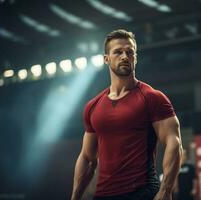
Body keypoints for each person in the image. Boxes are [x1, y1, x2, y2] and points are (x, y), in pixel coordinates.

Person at [71, 29, 183, 200]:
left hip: (142, 192)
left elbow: (174, 143)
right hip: (103, 195)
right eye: (118, 52)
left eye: (129, 52)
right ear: (106, 59)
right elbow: (87, 158)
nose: (124, 56)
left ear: (135, 58)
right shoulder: (93, 106)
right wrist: (75, 197)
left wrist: (165, 191)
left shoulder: (152, 97)